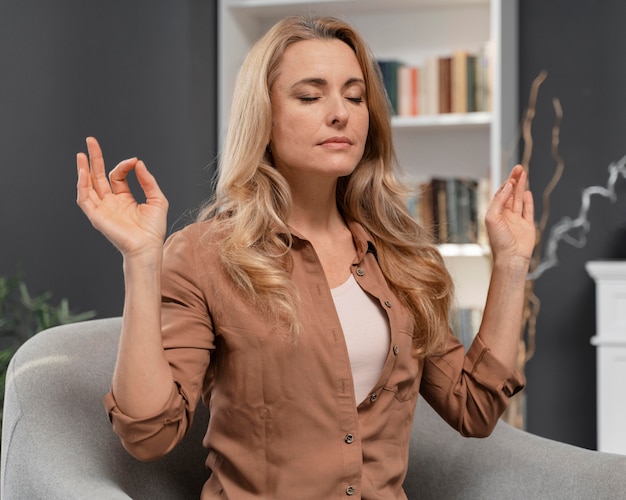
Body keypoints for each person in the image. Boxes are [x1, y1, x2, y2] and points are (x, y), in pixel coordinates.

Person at [76, 15, 535, 500]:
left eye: (355, 97)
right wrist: (141, 260)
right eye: (310, 96)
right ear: (264, 118)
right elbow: (149, 434)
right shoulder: (205, 255)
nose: (340, 113)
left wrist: (510, 263)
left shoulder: (401, 256)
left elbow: (474, 408)